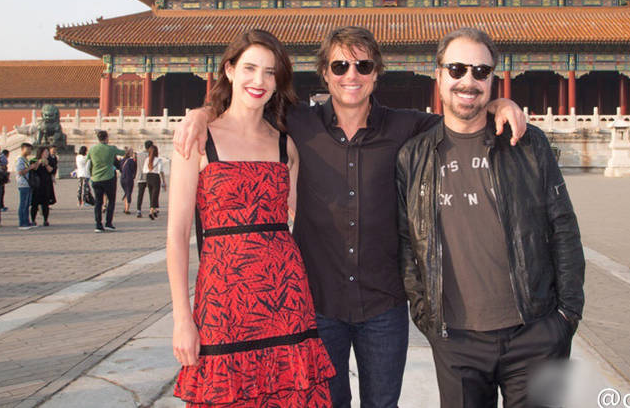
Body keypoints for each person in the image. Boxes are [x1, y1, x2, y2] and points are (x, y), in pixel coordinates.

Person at [175, 26, 527, 408]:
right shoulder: (297, 125)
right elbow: (246, 106)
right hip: (317, 304)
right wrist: (201, 113)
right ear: (325, 73)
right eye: (340, 65)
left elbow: (461, 117)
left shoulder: (405, 127)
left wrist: (498, 104)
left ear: (377, 73)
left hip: (384, 304)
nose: (351, 76)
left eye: (363, 65)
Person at [396, 28, 585, 407]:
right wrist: (428, 320)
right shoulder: (413, 157)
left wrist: (566, 317)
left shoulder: (527, 145)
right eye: (457, 69)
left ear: (493, 80)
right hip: (457, 341)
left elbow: (563, 228)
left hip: (535, 333)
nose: (468, 81)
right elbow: (406, 246)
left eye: (481, 72)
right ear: (439, 76)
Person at [167, 29, 334, 407]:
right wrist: (182, 319)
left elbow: (306, 215)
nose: (259, 81)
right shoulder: (197, 139)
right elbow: (176, 235)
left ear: (279, 82)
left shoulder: (284, 144)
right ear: (229, 70)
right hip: (223, 302)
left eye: (270, 72)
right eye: (250, 68)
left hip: (286, 301)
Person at [85, 130, 125, 232]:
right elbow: (123, 153)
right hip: (108, 178)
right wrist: (129, 150)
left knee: (98, 202)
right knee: (111, 201)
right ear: (106, 138)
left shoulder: (92, 149)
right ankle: (108, 223)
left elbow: (87, 161)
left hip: (96, 179)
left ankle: (98, 225)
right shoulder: (111, 149)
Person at [29, 147, 56, 226]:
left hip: (46, 184)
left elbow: (51, 171)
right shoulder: (33, 160)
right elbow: (33, 169)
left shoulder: (50, 161)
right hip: (37, 184)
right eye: (45, 152)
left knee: (45, 204)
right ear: (40, 153)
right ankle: (33, 220)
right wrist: (39, 162)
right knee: (34, 204)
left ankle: (45, 220)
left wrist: (47, 164)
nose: (47, 153)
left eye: (47, 152)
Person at [15, 143, 35, 230]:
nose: (29, 151)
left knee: (27, 204)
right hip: (23, 184)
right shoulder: (20, 160)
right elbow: (20, 172)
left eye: (30, 149)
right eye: (28, 149)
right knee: (23, 204)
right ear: (22, 149)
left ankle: (26, 221)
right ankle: (22, 223)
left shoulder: (25, 159)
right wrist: (30, 167)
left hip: (27, 183)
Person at [143, 145, 166, 220]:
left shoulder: (147, 159)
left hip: (148, 176)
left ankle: (155, 209)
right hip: (155, 177)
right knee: (155, 194)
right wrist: (164, 181)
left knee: (151, 194)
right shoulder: (158, 160)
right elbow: (161, 171)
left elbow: (144, 170)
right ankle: (151, 211)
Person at [135, 139, 153, 216]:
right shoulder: (150, 155)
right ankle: (151, 209)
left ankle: (138, 210)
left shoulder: (138, 155)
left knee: (140, 194)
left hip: (140, 176)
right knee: (151, 194)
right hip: (149, 176)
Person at [119, 148, 137, 214]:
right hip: (129, 178)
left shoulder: (122, 160)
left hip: (122, 178)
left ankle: (125, 206)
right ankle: (127, 209)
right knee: (128, 192)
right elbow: (133, 170)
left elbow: (120, 169)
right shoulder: (131, 161)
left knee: (126, 192)